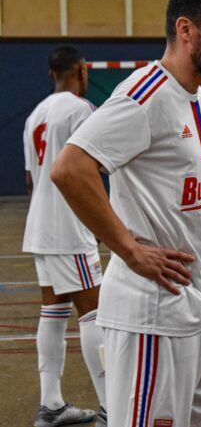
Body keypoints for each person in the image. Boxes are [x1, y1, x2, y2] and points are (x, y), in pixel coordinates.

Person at [50, 0, 201, 426]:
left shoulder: (196, 99)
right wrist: (129, 249)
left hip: (197, 310)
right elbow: (70, 168)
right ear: (186, 30)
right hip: (151, 319)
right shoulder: (147, 94)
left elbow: (194, 212)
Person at [23, 45, 106, 427]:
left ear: (49, 74)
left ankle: (51, 405)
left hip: (40, 225)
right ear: (82, 70)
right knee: (94, 315)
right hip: (69, 227)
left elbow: (30, 179)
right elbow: (88, 171)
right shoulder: (81, 110)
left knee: (53, 313)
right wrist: (101, 222)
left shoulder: (35, 115)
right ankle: (112, 407)